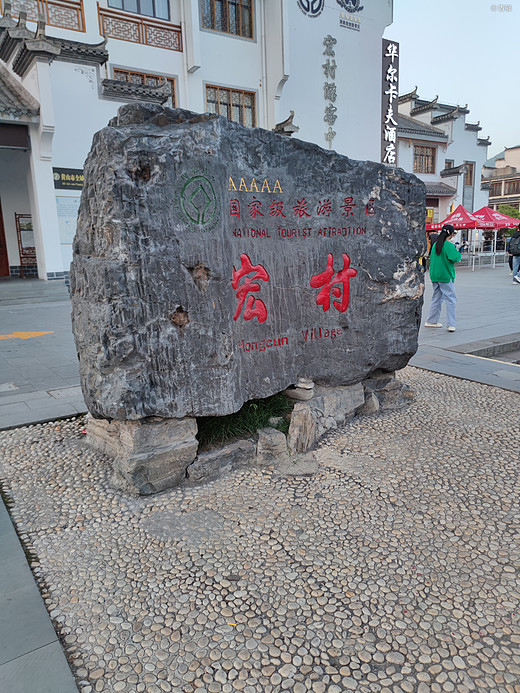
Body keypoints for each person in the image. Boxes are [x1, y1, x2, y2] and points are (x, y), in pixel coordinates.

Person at [424, 223, 461, 332]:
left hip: (435, 275)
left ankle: (431, 320)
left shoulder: (436, 244)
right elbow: (456, 258)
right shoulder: (449, 245)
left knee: (437, 298)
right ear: (451, 234)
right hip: (445, 275)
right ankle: (451, 324)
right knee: (451, 298)